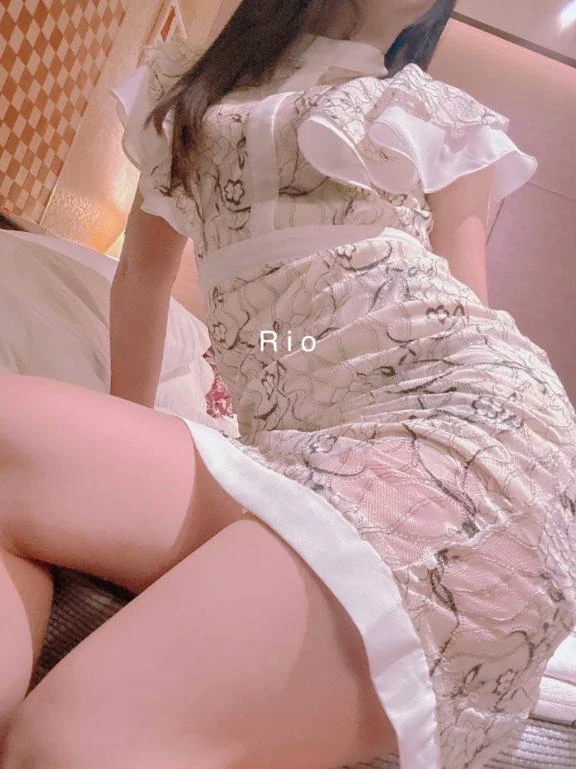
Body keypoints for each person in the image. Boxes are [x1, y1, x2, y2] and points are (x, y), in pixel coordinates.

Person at [1, 1, 575, 768]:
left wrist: (271, 353)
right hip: (304, 452)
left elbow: (460, 311)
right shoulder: (188, 94)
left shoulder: (435, 116)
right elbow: (140, 282)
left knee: (67, 741)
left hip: (470, 433)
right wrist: (124, 447)